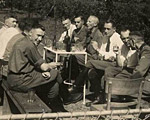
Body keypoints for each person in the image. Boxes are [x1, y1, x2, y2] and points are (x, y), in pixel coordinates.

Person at [6, 23, 82, 112]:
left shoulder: (22, 41)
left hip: (14, 78)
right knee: (56, 73)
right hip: (21, 80)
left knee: (54, 84)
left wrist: (42, 72)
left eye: (42, 37)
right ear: (30, 33)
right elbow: (44, 67)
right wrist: (52, 65)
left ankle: (54, 107)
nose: (40, 39)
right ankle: (66, 97)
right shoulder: (29, 45)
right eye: (38, 35)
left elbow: (30, 64)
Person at [70, 19, 128, 104]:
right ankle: (99, 97)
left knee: (90, 63)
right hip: (105, 62)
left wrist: (98, 50)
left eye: (108, 29)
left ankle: (76, 85)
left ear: (114, 29)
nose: (105, 31)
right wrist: (102, 53)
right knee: (92, 72)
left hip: (115, 64)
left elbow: (113, 55)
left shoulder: (118, 38)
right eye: (105, 28)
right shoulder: (105, 38)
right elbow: (103, 53)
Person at [105, 31, 150, 100]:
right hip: (142, 79)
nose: (128, 43)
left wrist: (128, 84)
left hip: (147, 82)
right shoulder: (140, 50)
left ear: (133, 41)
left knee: (119, 86)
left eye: (129, 40)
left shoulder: (146, 50)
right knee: (116, 79)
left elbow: (139, 71)